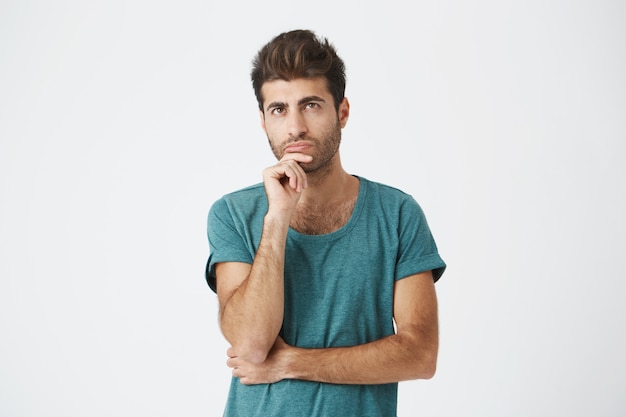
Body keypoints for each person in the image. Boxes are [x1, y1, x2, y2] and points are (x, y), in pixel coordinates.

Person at [205, 29, 446, 417]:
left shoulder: (398, 213)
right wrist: (278, 216)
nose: (295, 127)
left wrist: (292, 362)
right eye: (278, 110)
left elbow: (420, 355)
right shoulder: (233, 213)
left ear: (342, 112)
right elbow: (250, 345)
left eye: (311, 105)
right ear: (264, 122)